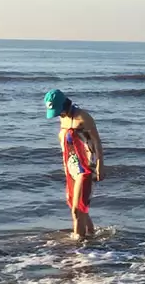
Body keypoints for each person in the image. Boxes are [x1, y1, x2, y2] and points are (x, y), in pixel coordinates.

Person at [44, 89, 104, 240]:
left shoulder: (82, 117)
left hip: (85, 167)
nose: (58, 114)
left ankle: (78, 246)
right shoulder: (63, 117)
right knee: (75, 206)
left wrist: (100, 166)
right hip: (71, 166)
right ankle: (91, 236)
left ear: (64, 103)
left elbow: (97, 142)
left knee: (77, 210)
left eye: (58, 110)